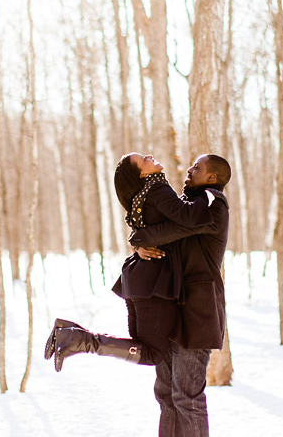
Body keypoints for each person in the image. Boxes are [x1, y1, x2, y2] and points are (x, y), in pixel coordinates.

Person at [43, 152, 215, 372]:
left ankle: (72, 333)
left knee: (142, 347)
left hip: (137, 280)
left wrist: (138, 241)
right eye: (144, 159)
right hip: (154, 284)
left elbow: (162, 226)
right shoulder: (157, 190)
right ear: (142, 173)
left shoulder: (140, 197)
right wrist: (208, 197)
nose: (150, 156)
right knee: (152, 353)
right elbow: (190, 219)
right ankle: (78, 339)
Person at [129, 154, 231, 437]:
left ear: (211, 178)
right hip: (171, 308)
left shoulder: (212, 204)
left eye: (197, 167)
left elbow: (172, 229)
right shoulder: (189, 206)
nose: (189, 169)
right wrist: (140, 246)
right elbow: (166, 236)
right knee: (165, 394)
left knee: (187, 396)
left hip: (198, 313)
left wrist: (140, 238)